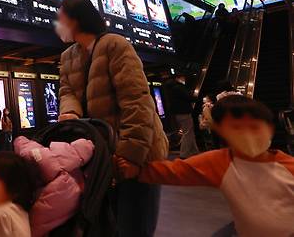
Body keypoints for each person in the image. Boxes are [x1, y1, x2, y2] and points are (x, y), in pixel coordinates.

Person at [55, 0, 168, 237]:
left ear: (75, 21)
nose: (57, 23)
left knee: (136, 224)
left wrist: (131, 155)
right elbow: (67, 91)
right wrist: (69, 111)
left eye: (61, 18)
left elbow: (137, 101)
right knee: (109, 225)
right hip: (103, 157)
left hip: (139, 153)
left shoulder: (114, 44)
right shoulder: (68, 57)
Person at [117, 95, 294, 237]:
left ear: (269, 128)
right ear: (224, 133)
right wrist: (138, 171)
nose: (248, 134)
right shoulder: (223, 162)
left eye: (254, 127)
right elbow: (177, 171)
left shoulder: (288, 166)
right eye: (236, 128)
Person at [163, 73, 199, 158]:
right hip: (184, 112)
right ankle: (184, 153)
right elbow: (189, 97)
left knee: (189, 132)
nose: (184, 79)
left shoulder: (170, 88)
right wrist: (195, 96)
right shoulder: (179, 87)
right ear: (178, 78)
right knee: (187, 133)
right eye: (183, 77)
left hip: (177, 113)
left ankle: (194, 151)